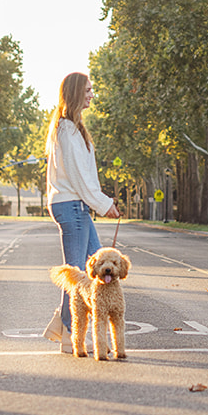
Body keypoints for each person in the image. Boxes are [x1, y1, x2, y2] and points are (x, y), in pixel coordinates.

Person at [41, 71, 120, 354]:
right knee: (77, 274)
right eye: (87, 89)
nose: (91, 94)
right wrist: (103, 203)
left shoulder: (74, 129)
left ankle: (61, 326)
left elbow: (86, 176)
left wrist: (98, 202)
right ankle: (69, 332)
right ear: (75, 92)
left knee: (97, 270)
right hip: (71, 205)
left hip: (78, 205)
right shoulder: (65, 129)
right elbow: (77, 177)